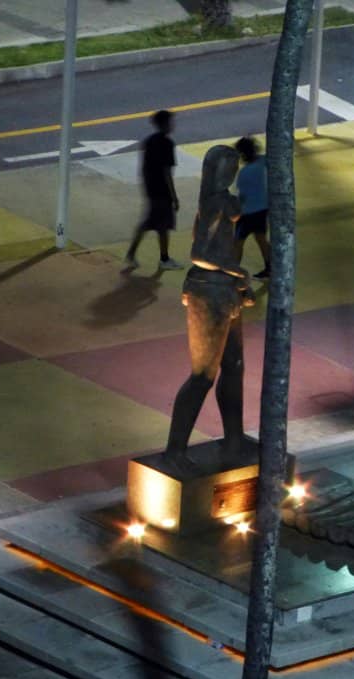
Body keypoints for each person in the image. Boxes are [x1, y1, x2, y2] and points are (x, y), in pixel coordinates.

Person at [165, 145, 255, 472]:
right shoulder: (214, 203)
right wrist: (238, 270)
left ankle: (234, 438)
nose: (230, 174)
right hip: (209, 290)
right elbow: (200, 253)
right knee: (203, 374)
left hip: (225, 291)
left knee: (235, 365)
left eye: (233, 168)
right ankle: (174, 450)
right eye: (225, 169)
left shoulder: (222, 201)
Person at [125, 110, 183, 271]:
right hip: (162, 192)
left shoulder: (149, 142)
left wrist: (147, 187)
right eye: (170, 122)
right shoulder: (168, 144)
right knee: (161, 224)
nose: (173, 125)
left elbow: (144, 168)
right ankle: (163, 259)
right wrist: (174, 196)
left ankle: (135, 254)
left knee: (153, 223)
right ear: (164, 124)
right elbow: (167, 172)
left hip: (151, 189)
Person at [233, 136, 272, 280]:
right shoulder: (263, 161)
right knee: (261, 239)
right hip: (262, 209)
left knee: (238, 242)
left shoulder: (244, 173)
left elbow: (242, 196)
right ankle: (270, 268)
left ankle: (234, 273)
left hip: (246, 213)